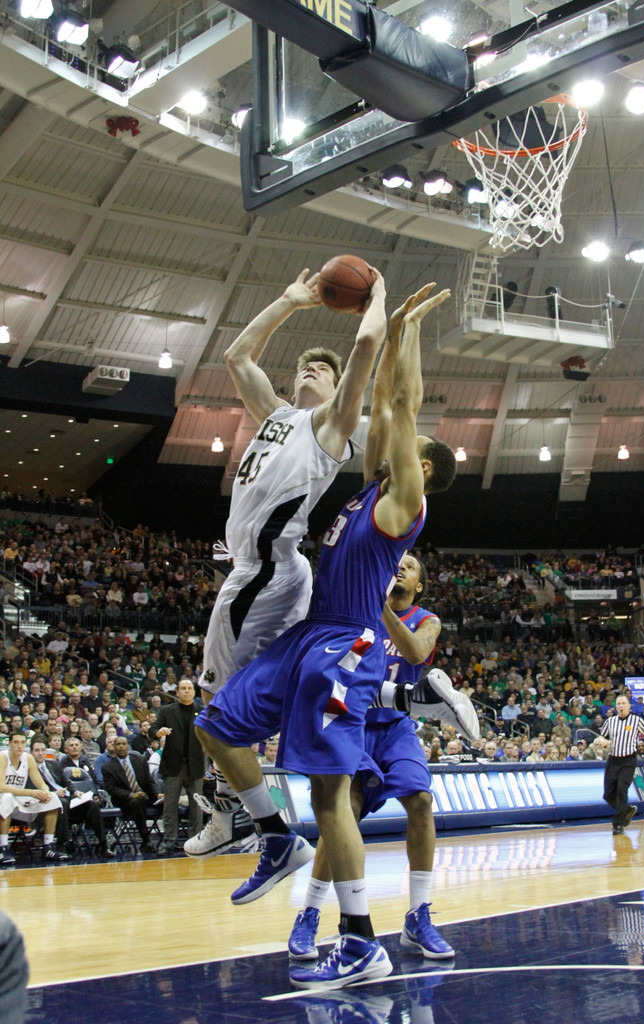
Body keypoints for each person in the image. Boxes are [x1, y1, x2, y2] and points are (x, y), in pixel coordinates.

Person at [194, 283, 457, 990]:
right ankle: (271, 837)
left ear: (422, 467)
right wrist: (397, 331)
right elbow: (393, 410)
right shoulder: (369, 486)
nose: (390, 435)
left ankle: (359, 936)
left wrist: (401, 334)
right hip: (311, 633)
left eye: (407, 445)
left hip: (351, 647)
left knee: (331, 797)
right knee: (215, 726)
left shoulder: (406, 502)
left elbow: (402, 402)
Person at [186, 265, 388, 859]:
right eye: (305, 364)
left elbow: (369, 345)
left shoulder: (331, 427)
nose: (311, 370)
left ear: (336, 391)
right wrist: (288, 300)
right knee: (255, 697)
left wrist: (376, 294)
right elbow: (236, 355)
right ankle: (253, 811)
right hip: (266, 572)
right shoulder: (276, 416)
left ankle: (244, 820)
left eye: (322, 369)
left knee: (217, 709)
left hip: (265, 571)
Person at [288, 553, 455, 963]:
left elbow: (415, 653)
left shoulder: (426, 619)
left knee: (421, 801)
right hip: (355, 723)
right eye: (398, 560)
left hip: (396, 727)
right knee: (346, 810)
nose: (401, 565)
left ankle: (418, 916)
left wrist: (378, 607)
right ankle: (309, 913)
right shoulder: (355, 610)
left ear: (419, 585)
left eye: (411, 565)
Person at [33, 735, 115, 858]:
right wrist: (54, 794)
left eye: (43, 750)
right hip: (47, 803)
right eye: (37, 750)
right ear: (31, 752)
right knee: (62, 802)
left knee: (91, 804)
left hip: (66, 799)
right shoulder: (30, 768)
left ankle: (103, 844)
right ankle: (63, 844)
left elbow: (66, 782)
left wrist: (76, 792)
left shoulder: (54, 765)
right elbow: (33, 790)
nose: (40, 753)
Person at [0, 731, 68, 865]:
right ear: (9, 743)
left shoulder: (28, 758)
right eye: (16, 742)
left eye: (22, 742)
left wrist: (45, 792)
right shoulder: (2, 758)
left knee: (53, 798)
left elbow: (41, 783)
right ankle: (2, 848)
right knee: (7, 797)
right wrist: (31, 792)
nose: (19, 746)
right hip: (3, 798)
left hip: (19, 799)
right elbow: (2, 787)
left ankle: (48, 846)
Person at [154, 679, 205, 856]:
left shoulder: (203, 711)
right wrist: (158, 733)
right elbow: (153, 728)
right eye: (182, 689)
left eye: (189, 688)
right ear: (177, 692)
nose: (186, 691)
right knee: (170, 806)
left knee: (196, 807)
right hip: (173, 765)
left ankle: (195, 841)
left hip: (196, 764)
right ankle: (168, 842)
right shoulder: (166, 711)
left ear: (194, 692)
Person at [600, 694, 644, 835]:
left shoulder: (636, 720)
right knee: (607, 794)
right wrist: (602, 743)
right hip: (613, 760)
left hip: (629, 760)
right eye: (618, 703)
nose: (621, 706)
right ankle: (627, 810)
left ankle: (618, 824)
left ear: (629, 706)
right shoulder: (610, 721)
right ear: (615, 706)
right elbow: (601, 738)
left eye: (624, 703)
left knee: (621, 789)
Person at [102, 736, 162, 854]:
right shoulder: (108, 768)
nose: (121, 746)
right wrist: (131, 795)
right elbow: (112, 789)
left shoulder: (140, 760)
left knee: (167, 802)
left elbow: (149, 781)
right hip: (125, 801)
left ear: (127, 746)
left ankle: (170, 839)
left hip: (145, 796)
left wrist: (158, 794)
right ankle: (146, 840)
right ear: (114, 747)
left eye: (123, 744)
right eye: (118, 744)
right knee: (136, 802)